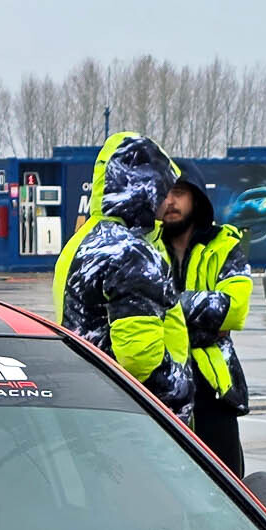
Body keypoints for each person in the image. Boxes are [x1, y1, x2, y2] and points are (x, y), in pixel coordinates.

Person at [54, 132, 193, 419]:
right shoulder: (131, 252)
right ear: (143, 189)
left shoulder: (82, 240)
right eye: (162, 188)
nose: (168, 200)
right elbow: (139, 359)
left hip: (86, 397)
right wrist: (181, 394)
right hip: (135, 415)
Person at [160, 177, 252, 472]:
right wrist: (206, 321)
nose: (170, 201)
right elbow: (136, 309)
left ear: (197, 198)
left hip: (213, 388)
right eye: (165, 194)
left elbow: (233, 310)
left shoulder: (224, 245)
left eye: (179, 193)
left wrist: (166, 309)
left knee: (226, 481)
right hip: (160, 383)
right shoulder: (145, 246)